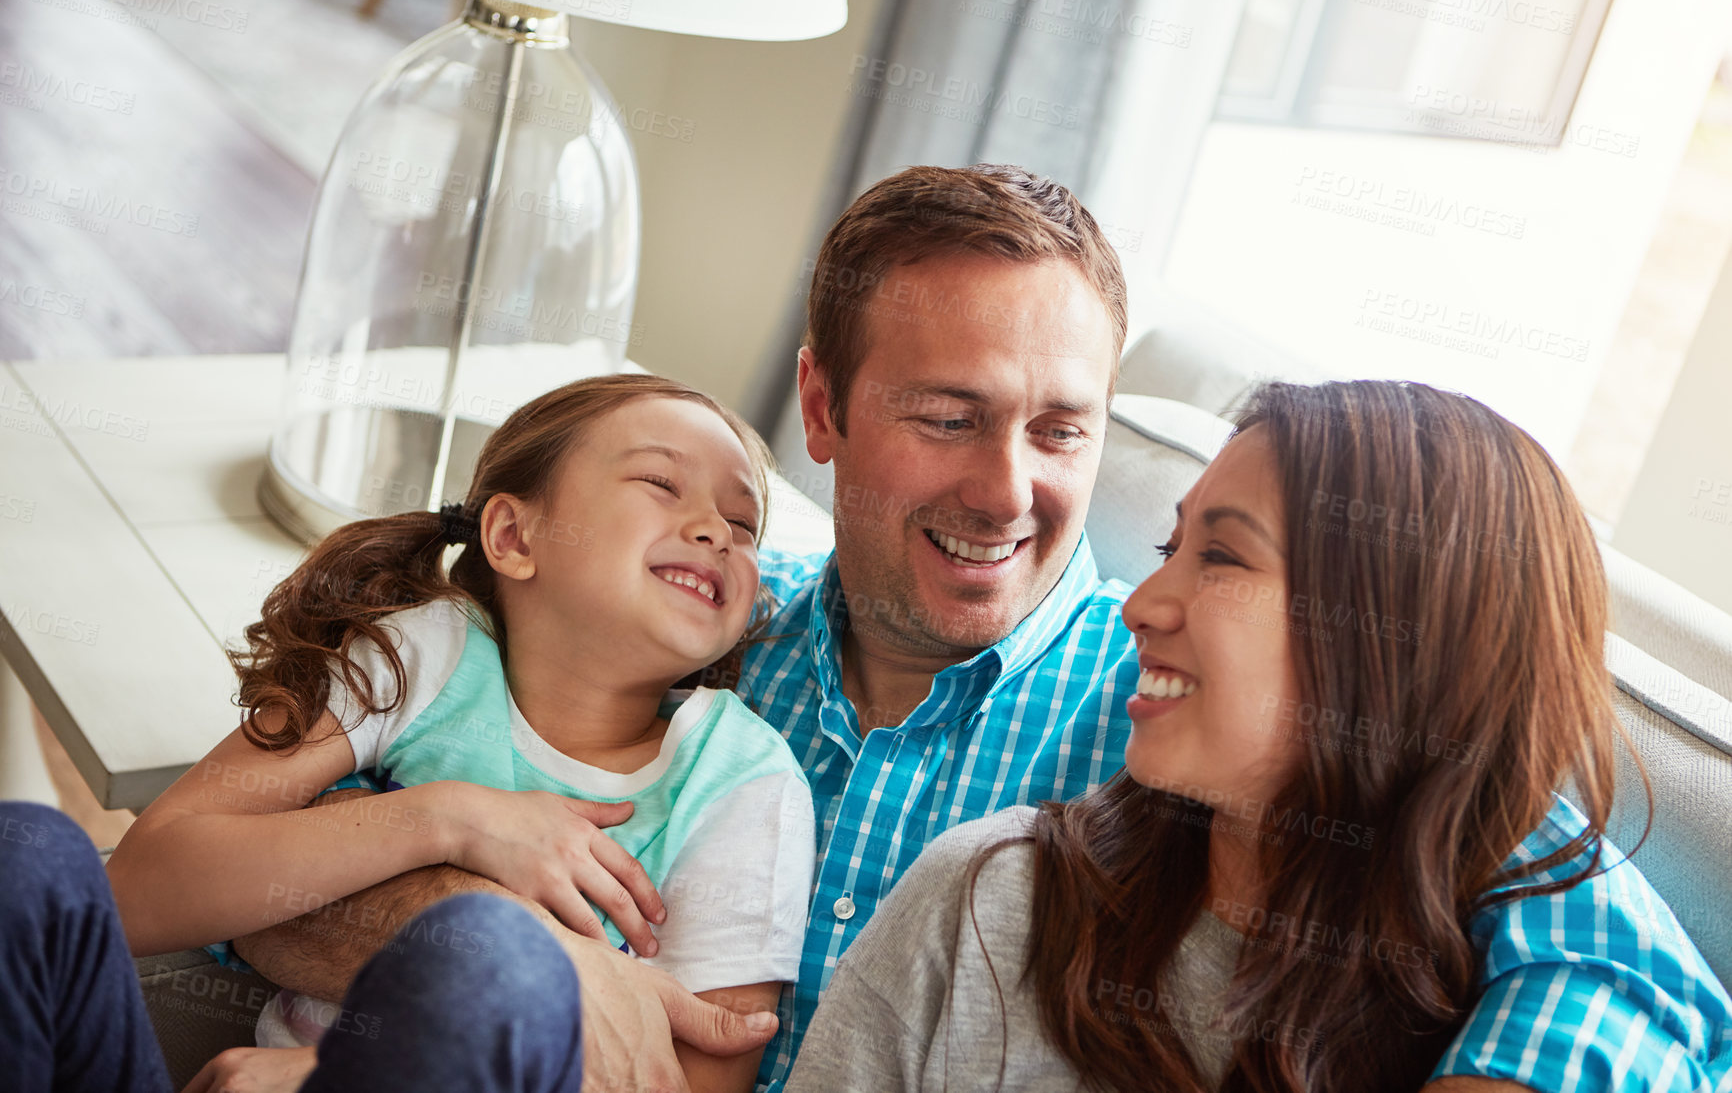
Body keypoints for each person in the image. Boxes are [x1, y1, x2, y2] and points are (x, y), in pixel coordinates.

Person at [231, 163, 1147, 1092]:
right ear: (823, 408)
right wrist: (500, 935)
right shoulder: (692, 624)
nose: (1005, 493)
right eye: (950, 419)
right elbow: (243, 891)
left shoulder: (1154, 722)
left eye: (1063, 432)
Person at [783, 380, 1732, 1092]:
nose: (1142, 604)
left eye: (1224, 557)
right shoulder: (992, 898)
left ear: (1393, 636)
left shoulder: (1539, 1000)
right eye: (1170, 550)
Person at [104, 373, 815, 1093]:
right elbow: (136, 889)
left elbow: (693, 1077)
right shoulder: (421, 655)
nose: (716, 532)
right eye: (662, 482)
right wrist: (450, 821)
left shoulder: (743, 778)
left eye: (744, 525)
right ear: (512, 535)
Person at [2, 800, 594, 1093]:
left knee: (502, 958)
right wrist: (449, 817)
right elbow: (133, 891)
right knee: (26, 853)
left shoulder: (690, 786)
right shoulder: (408, 659)